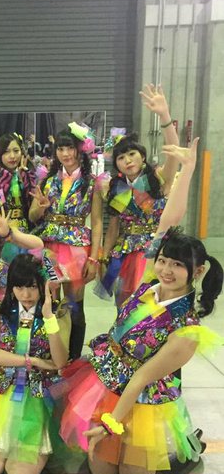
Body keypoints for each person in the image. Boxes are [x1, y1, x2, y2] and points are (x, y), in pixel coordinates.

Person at [51, 138, 224, 474]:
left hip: (144, 398)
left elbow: (143, 376)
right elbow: (167, 222)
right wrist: (188, 170)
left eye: (178, 265)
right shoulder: (148, 281)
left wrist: (112, 422)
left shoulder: (187, 329)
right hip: (110, 380)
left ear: (197, 271)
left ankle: (182, 456)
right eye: (164, 261)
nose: (167, 270)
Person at [0, 254, 69, 474]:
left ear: (43, 285)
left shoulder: (58, 312)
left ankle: (41, 450)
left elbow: (59, 361)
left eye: (32, 287)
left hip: (39, 394)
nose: (25, 294)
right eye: (19, 287)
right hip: (4, 392)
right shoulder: (0, 311)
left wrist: (49, 318)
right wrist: (32, 361)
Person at [97, 85, 180, 307]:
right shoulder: (115, 188)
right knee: (124, 306)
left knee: (153, 306)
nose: (127, 160)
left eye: (132, 154)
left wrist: (164, 116)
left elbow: (174, 151)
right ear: (116, 165)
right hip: (125, 254)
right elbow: (113, 227)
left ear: (142, 156)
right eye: (121, 157)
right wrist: (104, 256)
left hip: (157, 251)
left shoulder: (159, 179)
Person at [29, 122, 103, 359]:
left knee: (74, 305)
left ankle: (73, 358)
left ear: (80, 149)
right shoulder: (47, 180)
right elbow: (32, 216)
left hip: (76, 250)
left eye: (70, 148)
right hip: (49, 249)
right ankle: (52, 355)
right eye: (61, 149)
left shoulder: (92, 183)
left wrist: (94, 258)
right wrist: (41, 208)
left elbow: (97, 222)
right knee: (49, 301)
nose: (65, 154)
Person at [0, 133, 36, 232]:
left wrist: (25, 177)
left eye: (16, 151)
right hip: (2, 230)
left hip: (26, 229)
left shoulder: (27, 175)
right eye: (6, 152)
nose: (12, 156)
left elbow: (32, 205)